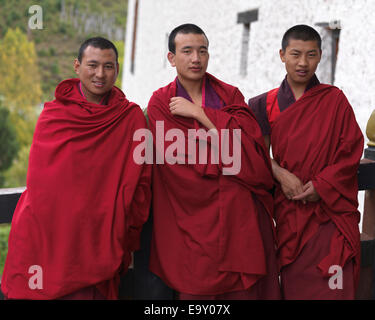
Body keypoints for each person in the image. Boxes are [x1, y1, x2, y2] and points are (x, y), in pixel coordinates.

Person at [1, 37, 151, 300]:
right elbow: (42, 184)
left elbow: (140, 180)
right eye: (92, 65)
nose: (100, 74)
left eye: (108, 66)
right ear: (77, 66)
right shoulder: (54, 116)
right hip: (50, 234)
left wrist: (125, 230)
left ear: (117, 69)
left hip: (99, 236)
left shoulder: (129, 117)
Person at [147, 23, 281, 300]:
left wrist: (200, 114)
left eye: (202, 51)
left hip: (236, 215)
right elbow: (176, 159)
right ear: (171, 58)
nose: (196, 59)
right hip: (189, 213)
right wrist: (223, 142)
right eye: (187, 51)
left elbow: (250, 150)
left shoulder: (229, 95)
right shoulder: (162, 101)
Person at [249, 24, 364, 300]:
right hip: (290, 214)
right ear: (282, 55)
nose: (303, 63)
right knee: (297, 286)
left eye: (311, 55)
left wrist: (322, 186)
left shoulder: (334, 100)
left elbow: (350, 150)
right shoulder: (263, 104)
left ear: (321, 56)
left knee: (334, 287)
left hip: (330, 213)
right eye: (296, 54)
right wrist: (279, 173)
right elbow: (255, 154)